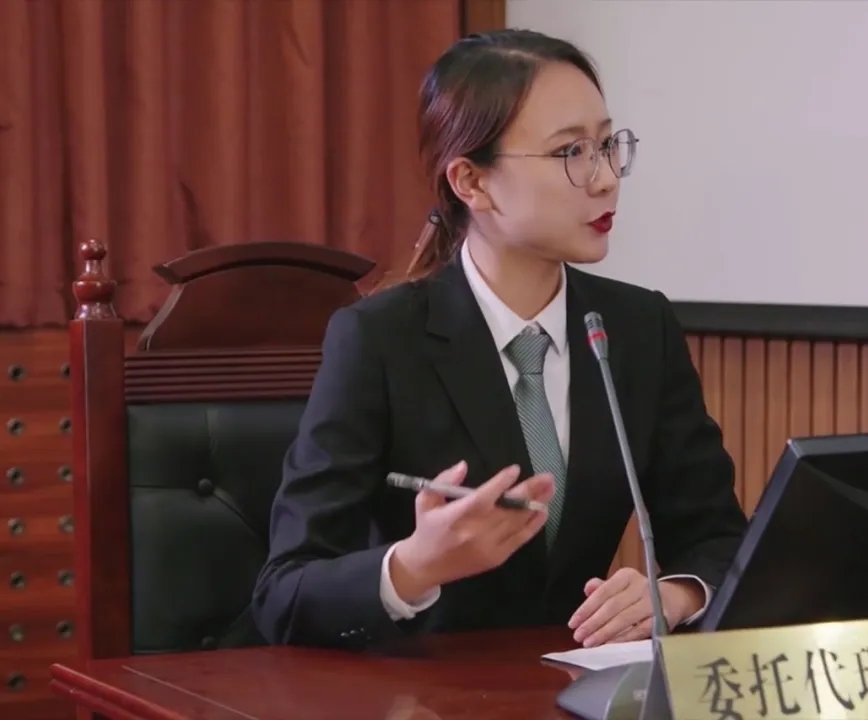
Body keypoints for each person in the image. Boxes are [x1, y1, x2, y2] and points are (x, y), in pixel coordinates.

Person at [251, 28, 748, 651]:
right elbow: (283, 593)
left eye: (606, 145)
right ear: (472, 182)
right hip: (420, 689)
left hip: (580, 686)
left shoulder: (638, 327)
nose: (605, 179)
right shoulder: (379, 340)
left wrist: (675, 594)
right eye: (570, 152)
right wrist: (413, 567)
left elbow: (718, 537)